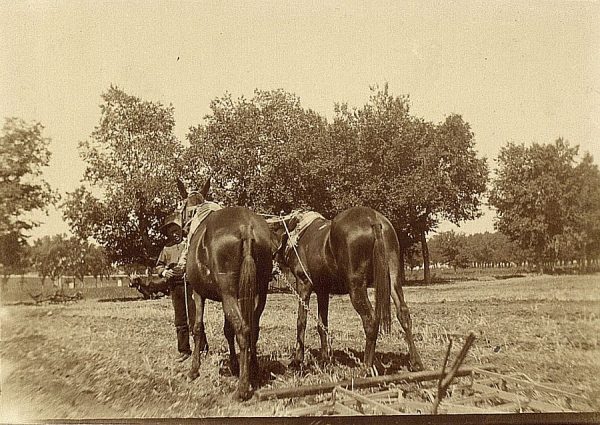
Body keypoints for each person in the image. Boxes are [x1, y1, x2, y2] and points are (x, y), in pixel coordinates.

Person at [156, 213, 196, 363]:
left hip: (190, 283)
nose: (175, 235)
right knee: (180, 318)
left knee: (194, 316)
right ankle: (184, 350)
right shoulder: (166, 249)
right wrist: (165, 272)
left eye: (177, 231)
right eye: (171, 232)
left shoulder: (189, 244)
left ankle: (202, 348)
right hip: (175, 285)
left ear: (181, 230)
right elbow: (159, 265)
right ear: (167, 233)